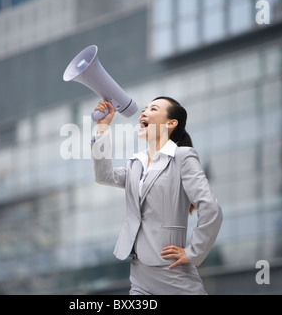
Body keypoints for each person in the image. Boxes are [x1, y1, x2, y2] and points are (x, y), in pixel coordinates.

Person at [91, 96, 223, 295]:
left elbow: (210, 207)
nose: (144, 113)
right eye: (144, 109)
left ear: (171, 123)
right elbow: (104, 175)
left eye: (153, 109)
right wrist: (102, 127)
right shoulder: (136, 162)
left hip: (173, 274)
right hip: (139, 274)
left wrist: (193, 252)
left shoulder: (183, 157)